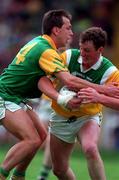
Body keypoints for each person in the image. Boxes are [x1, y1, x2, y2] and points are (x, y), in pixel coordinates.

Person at [0, 9, 118, 180]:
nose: (71, 33)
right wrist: (103, 90)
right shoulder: (49, 52)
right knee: (32, 141)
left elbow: (42, 79)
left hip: (18, 98)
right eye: (68, 28)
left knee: (41, 137)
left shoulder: (40, 43)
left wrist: (97, 97)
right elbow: (65, 80)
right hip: (5, 96)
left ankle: (18, 175)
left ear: (100, 50)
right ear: (56, 30)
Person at [38, 27, 119, 180]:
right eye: (81, 48)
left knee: (90, 148)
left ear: (100, 50)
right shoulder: (68, 57)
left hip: (87, 117)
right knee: (59, 170)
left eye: (87, 50)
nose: (82, 53)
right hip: (60, 116)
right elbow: (43, 81)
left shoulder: (110, 72)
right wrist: (61, 98)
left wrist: (98, 97)